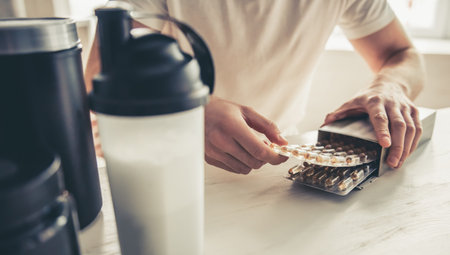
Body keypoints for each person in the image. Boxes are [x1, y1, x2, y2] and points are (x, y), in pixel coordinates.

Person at [85, 0, 425, 175]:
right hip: (170, 163)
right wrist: (187, 111)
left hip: (275, 167)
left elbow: (401, 54)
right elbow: (105, 69)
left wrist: (392, 84)